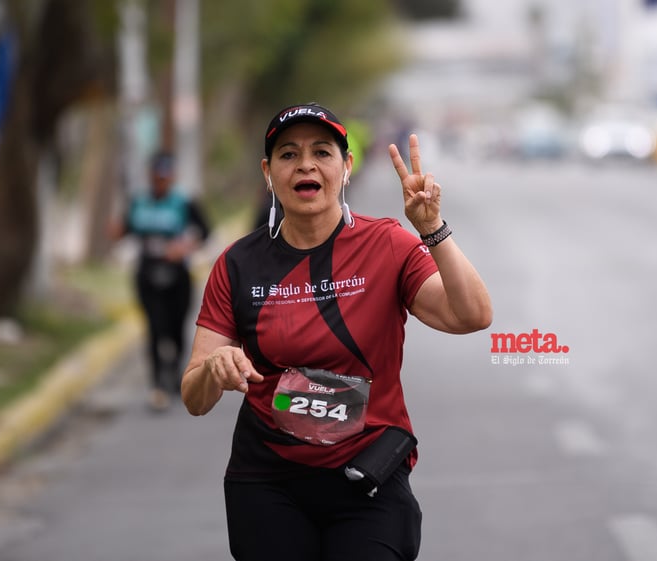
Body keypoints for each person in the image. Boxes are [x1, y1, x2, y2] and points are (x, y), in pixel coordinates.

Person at [180, 103, 492, 561]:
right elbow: (194, 397)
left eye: (322, 152)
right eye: (288, 154)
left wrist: (431, 229)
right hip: (267, 481)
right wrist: (214, 367)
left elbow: (471, 316)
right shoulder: (237, 264)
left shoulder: (386, 244)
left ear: (346, 167)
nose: (305, 164)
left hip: (368, 478)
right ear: (269, 173)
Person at [110, 150, 210, 411]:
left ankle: (176, 372)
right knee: (155, 328)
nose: (161, 181)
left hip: (178, 275)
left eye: (166, 177)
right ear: (151, 175)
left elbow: (205, 232)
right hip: (147, 273)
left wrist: (184, 246)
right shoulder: (138, 202)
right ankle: (157, 384)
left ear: (173, 177)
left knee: (176, 328)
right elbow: (124, 230)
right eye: (157, 176)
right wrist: (116, 231)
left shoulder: (184, 202)